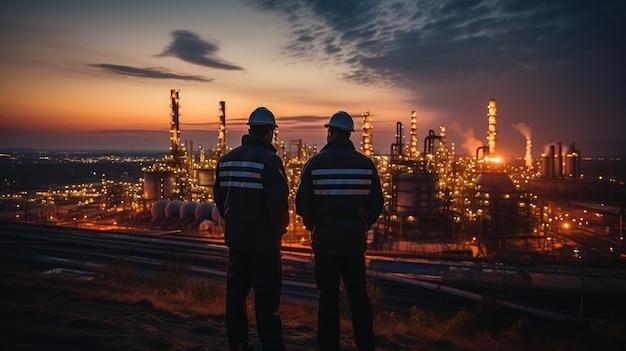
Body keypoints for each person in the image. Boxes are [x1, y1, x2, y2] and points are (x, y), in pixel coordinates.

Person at [296, 111, 384, 351]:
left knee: (328, 300)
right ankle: (366, 345)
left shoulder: (315, 164)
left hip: (325, 244)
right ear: (349, 134)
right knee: (359, 297)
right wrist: (361, 226)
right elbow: (377, 203)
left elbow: (302, 204)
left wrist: (314, 226)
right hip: (353, 245)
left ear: (330, 132)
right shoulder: (366, 165)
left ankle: (328, 346)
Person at [213, 107, 289, 351]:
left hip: (237, 242)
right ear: (270, 132)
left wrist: (234, 224)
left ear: (250, 129)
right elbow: (278, 204)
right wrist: (277, 233)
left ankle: (237, 343)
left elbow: (220, 200)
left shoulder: (226, 161)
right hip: (264, 245)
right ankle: (272, 345)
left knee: (235, 297)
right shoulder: (270, 161)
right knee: (267, 301)